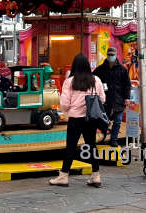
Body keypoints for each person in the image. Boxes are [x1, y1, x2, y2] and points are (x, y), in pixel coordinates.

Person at [50, 53, 105, 188]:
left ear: (74, 66)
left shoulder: (70, 81)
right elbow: (102, 99)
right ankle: (96, 176)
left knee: (71, 147)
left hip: (75, 118)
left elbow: (64, 102)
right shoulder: (96, 80)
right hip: (91, 118)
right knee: (92, 146)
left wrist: (69, 112)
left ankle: (63, 176)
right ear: (87, 65)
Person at [93, 46, 131, 147]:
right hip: (104, 101)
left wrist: (127, 97)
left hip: (119, 100)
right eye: (109, 55)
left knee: (117, 122)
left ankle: (114, 140)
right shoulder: (100, 69)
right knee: (104, 122)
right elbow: (93, 80)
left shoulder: (122, 69)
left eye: (113, 55)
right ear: (107, 55)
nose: (111, 57)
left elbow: (127, 84)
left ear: (116, 55)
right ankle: (103, 137)